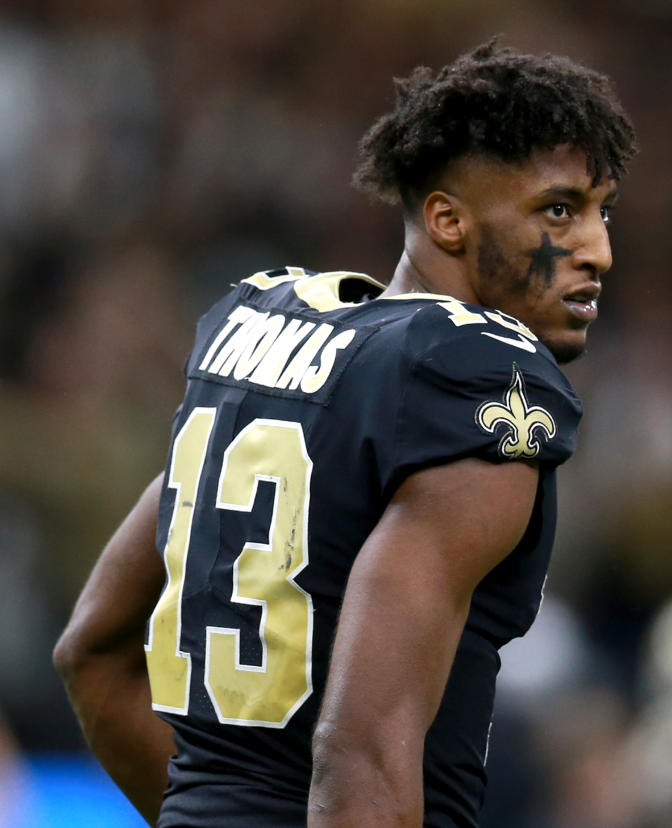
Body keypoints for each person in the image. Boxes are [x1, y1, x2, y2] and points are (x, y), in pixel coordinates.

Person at [51, 40, 637, 828]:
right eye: (557, 210)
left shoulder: (260, 329)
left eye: (603, 212)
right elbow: (358, 756)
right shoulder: (474, 373)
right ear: (447, 219)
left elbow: (91, 653)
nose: (597, 250)